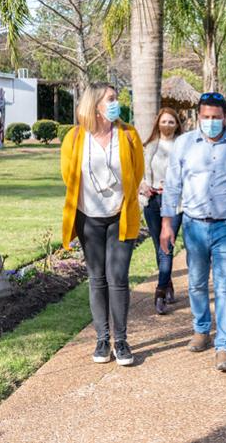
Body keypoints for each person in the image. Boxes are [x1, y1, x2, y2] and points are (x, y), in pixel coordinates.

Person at [160, 92, 226, 373]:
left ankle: (225, 346)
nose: (211, 122)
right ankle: (201, 328)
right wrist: (167, 224)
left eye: (216, 118)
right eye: (206, 117)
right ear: (198, 117)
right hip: (194, 225)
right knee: (195, 282)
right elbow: (172, 185)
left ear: (225, 117)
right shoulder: (184, 144)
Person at [60, 82, 144, 366]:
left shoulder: (129, 135)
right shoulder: (74, 138)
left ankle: (120, 341)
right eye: (110, 98)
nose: (115, 102)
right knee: (96, 278)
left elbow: (138, 172)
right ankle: (102, 338)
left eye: (116, 98)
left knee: (118, 278)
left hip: (120, 216)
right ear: (95, 104)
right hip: (88, 217)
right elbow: (68, 175)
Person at [140, 108, 184, 315]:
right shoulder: (150, 146)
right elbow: (140, 173)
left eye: (171, 122)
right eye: (164, 121)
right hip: (153, 199)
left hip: (174, 201)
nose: (167, 125)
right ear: (158, 123)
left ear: (177, 124)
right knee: (159, 244)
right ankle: (168, 284)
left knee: (167, 245)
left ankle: (159, 292)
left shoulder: (183, 145)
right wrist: (144, 187)